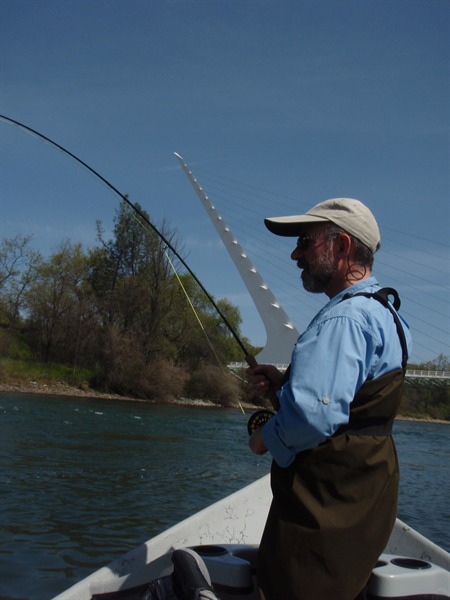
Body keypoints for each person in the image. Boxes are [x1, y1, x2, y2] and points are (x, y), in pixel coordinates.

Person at [247, 198, 412, 600]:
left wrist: (265, 437)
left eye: (305, 242)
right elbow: (354, 397)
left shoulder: (344, 319)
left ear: (341, 248)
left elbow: (312, 418)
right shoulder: (386, 312)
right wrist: (288, 381)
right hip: (363, 499)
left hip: (322, 510)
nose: (295, 254)